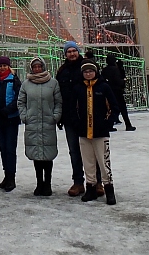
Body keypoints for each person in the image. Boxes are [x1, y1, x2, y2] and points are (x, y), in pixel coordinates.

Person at [72, 61, 117, 205]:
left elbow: (114, 107)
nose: (88, 74)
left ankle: (109, 188)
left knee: (104, 162)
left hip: (100, 132)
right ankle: (90, 187)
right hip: (84, 132)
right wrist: (77, 123)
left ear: (95, 72)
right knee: (88, 162)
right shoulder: (78, 88)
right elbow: (73, 108)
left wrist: (107, 123)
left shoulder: (104, 87)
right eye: (86, 72)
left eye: (91, 71)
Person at [17, 56, 62, 196]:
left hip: (48, 123)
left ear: (43, 67)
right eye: (35, 67)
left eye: (39, 66)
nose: (37, 69)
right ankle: (39, 183)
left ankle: (47, 184)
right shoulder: (26, 84)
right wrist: (25, 116)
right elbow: (21, 102)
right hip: (33, 123)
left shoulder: (53, 83)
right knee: (36, 155)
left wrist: (55, 116)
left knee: (47, 156)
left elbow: (58, 102)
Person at [56, 41, 87, 197]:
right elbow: (58, 95)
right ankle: (78, 182)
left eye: (74, 51)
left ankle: (96, 181)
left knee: (91, 151)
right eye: (69, 51)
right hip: (69, 117)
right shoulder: (62, 71)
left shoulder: (86, 67)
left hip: (87, 116)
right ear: (65, 54)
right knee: (74, 151)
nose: (72, 54)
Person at [0, 56, 21, 192]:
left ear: (8, 67)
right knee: (3, 148)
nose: (2, 68)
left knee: (10, 149)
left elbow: (18, 97)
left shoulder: (14, 80)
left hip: (11, 119)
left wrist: (7, 110)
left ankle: (11, 177)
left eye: (4, 65)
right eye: (0, 65)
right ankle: (6, 175)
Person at [103, 56, 136, 131]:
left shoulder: (105, 69)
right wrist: (123, 81)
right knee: (122, 108)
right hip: (117, 90)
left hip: (108, 91)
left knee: (112, 108)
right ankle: (128, 125)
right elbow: (118, 81)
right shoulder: (115, 69)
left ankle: (109, 125)